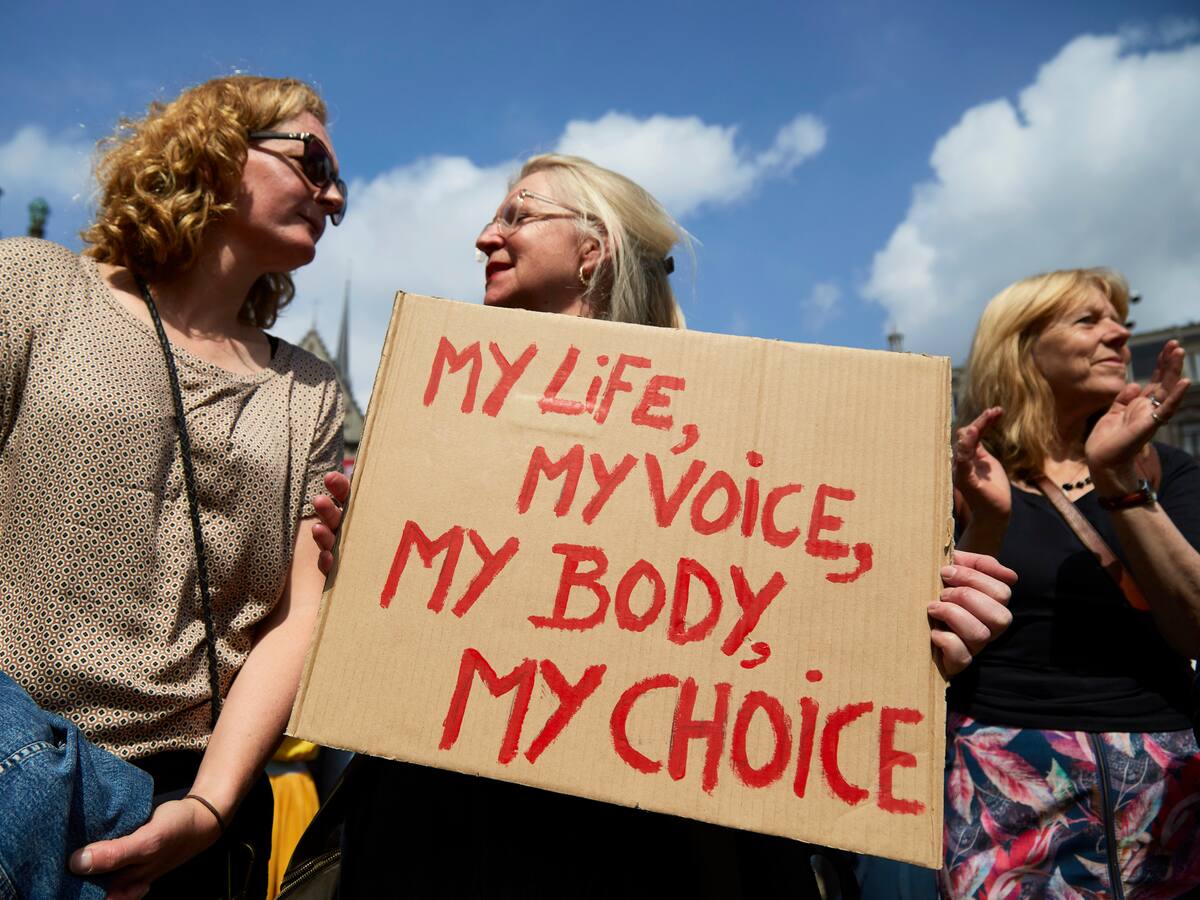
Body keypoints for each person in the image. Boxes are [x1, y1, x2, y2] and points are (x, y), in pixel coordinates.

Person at [308, 153, 1015, 898]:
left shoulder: (735, 436)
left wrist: (921, 625)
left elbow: (804, 623)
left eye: (518, 214)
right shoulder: (438, 413)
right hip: (441, 821)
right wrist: (360, 562)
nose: (486, 236)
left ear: (593, 250)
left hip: (641, 845)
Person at [0, 74, 347, 899]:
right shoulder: (33, 286)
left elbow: (300, 619)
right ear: (221, 148)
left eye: (341, 186)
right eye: (315, 161)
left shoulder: (314, 392)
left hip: (177, 813)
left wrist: (211, 806)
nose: (333, 197)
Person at [944, 268, 1200, 896]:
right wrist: (988, 521)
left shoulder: (1168, 472)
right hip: (1006, 778)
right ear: (1022, 348)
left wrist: (1117, 481)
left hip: (1165, 778)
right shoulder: (959, 477)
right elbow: (942, 642)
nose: (1119, 334)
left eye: (1120, 322)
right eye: (1089, 321)